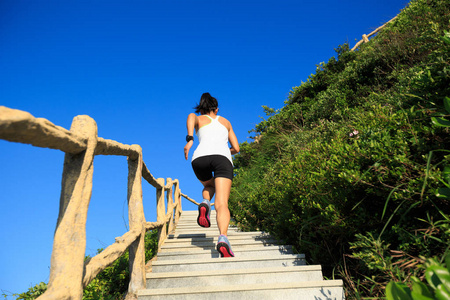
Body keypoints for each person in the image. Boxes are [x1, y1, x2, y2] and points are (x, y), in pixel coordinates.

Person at [184, 92, 240, 257]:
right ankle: (222, 237)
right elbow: (236, 148)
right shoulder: (225, 122)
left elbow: (190, 117)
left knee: (209, 184)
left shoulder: (198, 118)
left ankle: (205, 202)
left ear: (202, 109)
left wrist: (190, 140)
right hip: (222, 159)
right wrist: (224, 151)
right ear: (216, 108)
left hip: (199, 158)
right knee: (222, 203)